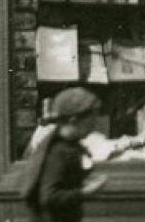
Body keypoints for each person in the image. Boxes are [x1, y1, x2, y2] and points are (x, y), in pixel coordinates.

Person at [20, 88, 108, 222]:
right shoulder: (59, 151)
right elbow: (49, 197)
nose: (95, 124)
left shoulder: (70, 146)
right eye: (92, 119)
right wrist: (85, 192)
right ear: (74, 120)